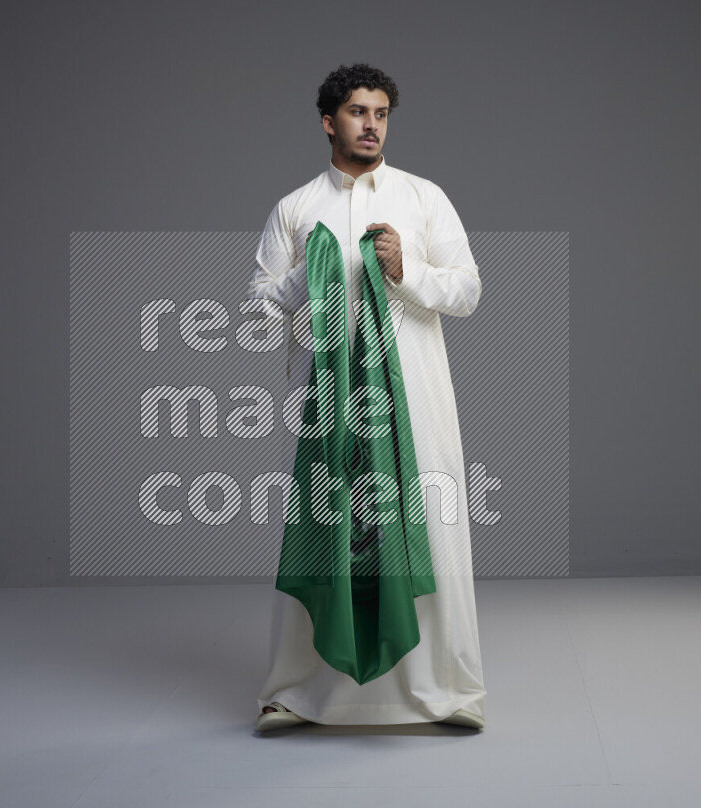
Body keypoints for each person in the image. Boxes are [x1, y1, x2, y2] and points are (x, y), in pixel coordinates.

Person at [248, 63, 486, 731]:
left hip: (415, 398)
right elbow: (259, 309)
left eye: (381, 113)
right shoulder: (295, 209)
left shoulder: (423, 198)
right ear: (330, 121)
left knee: (427, 529)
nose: (372, 124)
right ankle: (295, 692)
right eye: (358, 112)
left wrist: (406, 271)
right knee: (326, 531)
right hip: (328, 403)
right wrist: (305, 273)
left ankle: (445, 689)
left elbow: (468, 291)